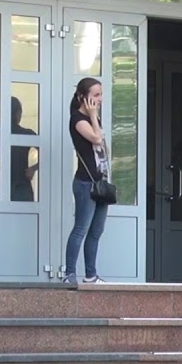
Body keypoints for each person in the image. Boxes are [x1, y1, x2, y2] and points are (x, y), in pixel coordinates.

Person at [63, 77, 109, 284]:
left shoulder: (92, 119)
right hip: (85, 182)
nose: (100, 99)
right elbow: (97, 139)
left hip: (100, 182)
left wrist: (94, 117)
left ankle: (91, 274)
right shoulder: (78, 119)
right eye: (96, 95)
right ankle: (69, 274)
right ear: (83, 97)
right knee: (80, 229)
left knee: (96, 231)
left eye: (101, 94)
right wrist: (92, 115)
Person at [0, 95, 38, 202]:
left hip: (2, 181)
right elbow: (47, 152)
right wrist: (33, 168)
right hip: (22, 183)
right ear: (18, 113)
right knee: (24, 212)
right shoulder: (27, 134)